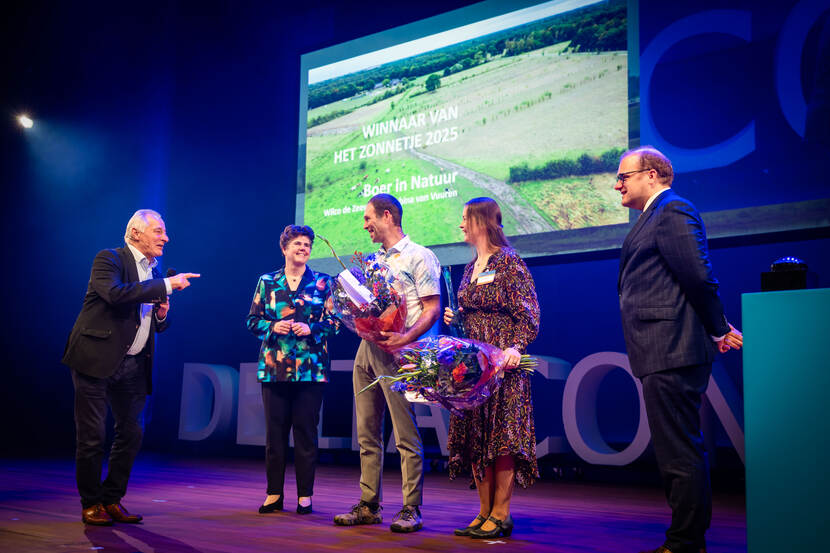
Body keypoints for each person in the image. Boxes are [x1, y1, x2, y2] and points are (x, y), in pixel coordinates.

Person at [615, 147, 743, 553]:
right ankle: (685, 539)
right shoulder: (654, 215)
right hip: (661, 348)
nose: (617, 184)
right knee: (675, 449)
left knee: (679, 450)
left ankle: (686, 542)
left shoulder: (672, 210)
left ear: (651, 175)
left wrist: (718, 327)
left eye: (624, 176)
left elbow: (698, 275)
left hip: (672, 347)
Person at [62, 209, 200, 525]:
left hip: (135, 365)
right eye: (159, 231)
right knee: (93, 436)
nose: (165, 237)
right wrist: (166, 285)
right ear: (136, 233)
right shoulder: (109, 259)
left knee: (132, 433)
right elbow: (114, 294)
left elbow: (154, 323)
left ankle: (112, 499)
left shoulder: (154, 272)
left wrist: (162, 312)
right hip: (95, 358)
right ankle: (91, 503)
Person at [333, 193, 441, 533]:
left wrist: (405, 339)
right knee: (366, 433)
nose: (365, 225)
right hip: (367, 349)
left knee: (405, 436)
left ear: (388, 215)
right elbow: (364, 304)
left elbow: (432, 308)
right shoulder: (371, 262)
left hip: (401, 351)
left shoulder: (419, 256)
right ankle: (369, 504)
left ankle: (411, 508)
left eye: (369, 219)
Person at [443, 197, 540, 539]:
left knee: (502, 439)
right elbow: (474, 309)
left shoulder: (510, 262)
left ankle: (501, 514)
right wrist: (458, 317)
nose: (460, 226)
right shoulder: (470, 267)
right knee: (475, 436)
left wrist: (514, 348)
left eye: (465, 219)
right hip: (473, 367)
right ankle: (483, 512)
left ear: (481, 222)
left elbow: (529, 313)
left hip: (501, 366)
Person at [246, 224, 339, 515]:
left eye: (307, 245)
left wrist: (311, 328)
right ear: (284, 248)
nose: (303, 248)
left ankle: (305, 496)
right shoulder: (267, 281)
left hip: (311, 369)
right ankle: (274, 494)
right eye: (297, 243)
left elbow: (335, 323)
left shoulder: (324, 283)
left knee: (306, 434)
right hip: (275, 369)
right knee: (275, 436)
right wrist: (272, 325)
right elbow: (252, 321)